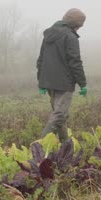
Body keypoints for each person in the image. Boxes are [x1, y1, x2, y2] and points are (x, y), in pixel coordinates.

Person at [36, 8, 87, 143]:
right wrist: (83, 84)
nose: (79, 28)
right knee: (59, 115)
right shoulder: (70, 37)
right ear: (75, 24)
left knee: (60, 115)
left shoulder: (49, 35)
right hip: (64, 83)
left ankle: (66, 144)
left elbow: (41, 59)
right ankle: (39, 146)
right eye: (79, 26)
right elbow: (75, 62)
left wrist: (41, 81)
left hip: (49, 83)